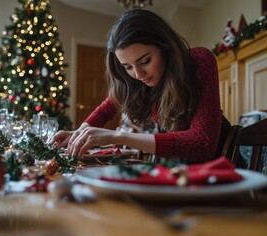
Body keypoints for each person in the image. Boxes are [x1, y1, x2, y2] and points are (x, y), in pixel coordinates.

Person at [51, 9, 231, 163]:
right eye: (127, 67)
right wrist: (78, 134)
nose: (138, 74)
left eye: (145, 61)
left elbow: (202, 145)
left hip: (216, 170)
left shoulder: (198, 60)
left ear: (165, 46)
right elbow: (107, 108)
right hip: (176, 170)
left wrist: (118, 136)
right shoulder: (138, 80)